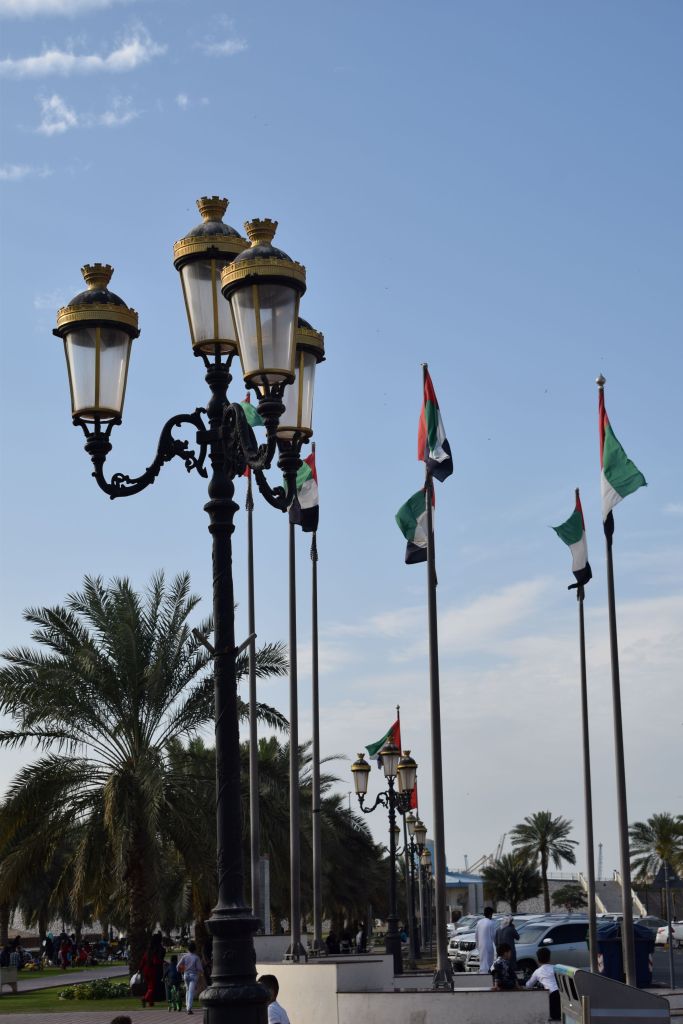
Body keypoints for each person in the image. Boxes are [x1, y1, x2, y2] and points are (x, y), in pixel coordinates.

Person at [524, 946, 560, 1021]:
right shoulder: (555, 967)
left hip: (552, 995)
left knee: (554, 1018)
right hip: (561, 993)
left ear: (538, 960)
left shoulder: (537, 971)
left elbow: (528, 985)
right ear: (549, 958)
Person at [177, 940, 204, 1015]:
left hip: (186, 975)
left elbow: (178, 966)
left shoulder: (184, 956)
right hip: (194, 976)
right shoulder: (196, 957)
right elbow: (200, 968)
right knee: (191, 992)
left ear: (188, 948)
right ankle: (189, 1008)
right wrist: (201, 973)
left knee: (188, 990)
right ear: (195, 949)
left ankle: (187, 1006)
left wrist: (182, 971)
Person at [475, 907, 498, 974]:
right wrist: (497, 945)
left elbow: (476, 935)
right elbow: (494, 936)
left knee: (482, 961)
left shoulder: (479, 922)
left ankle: (483, 973)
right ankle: (488, 974)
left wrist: (477, 945)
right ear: (490, 914)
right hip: (488, 945)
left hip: (481, 945)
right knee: (489, 961)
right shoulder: (491, 923)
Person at [140, 939, 161, 1008]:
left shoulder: (146, 954)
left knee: (149, 987)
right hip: (151, 972)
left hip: (145, 972)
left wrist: (139, 970)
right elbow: (155, 962)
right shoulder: (153, 954)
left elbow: (142, 963)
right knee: (151, 988)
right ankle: (145, 999)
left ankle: (151, 1002)